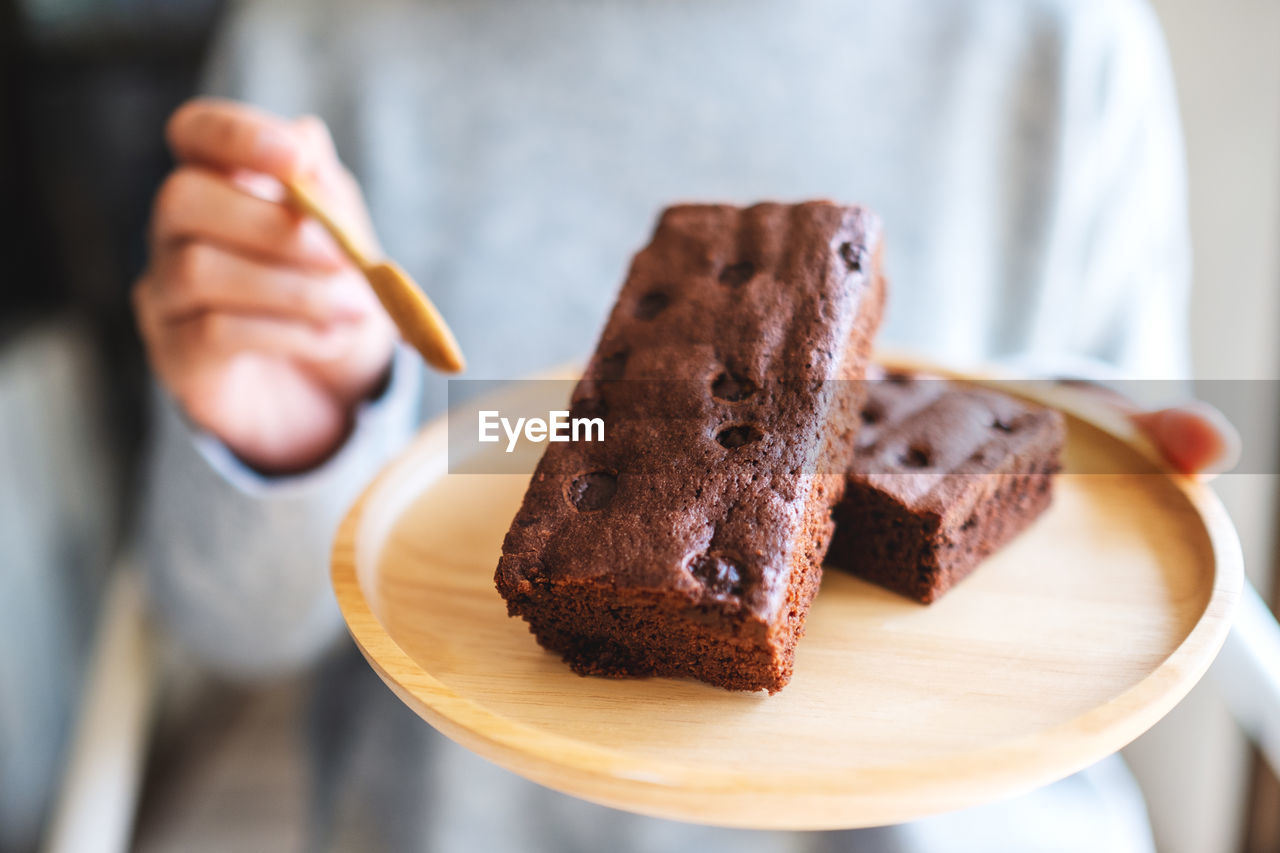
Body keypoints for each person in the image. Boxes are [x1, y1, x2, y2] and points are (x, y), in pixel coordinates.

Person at [129, 0, 1237, 849]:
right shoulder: (327, 40)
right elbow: (231, 621)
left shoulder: (1058, 36)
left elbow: (1121, 459)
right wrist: (300, 436)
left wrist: (1082, 457)